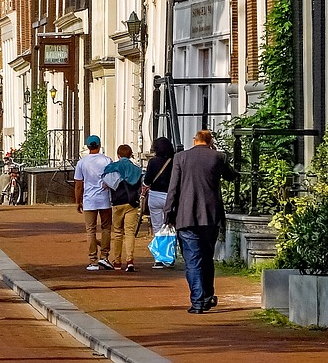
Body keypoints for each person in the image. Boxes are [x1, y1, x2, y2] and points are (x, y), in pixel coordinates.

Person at [164, 129, 238, 314]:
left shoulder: (181, 158)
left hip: (186, 216)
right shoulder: (218, 157)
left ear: (194, 140)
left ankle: (197, 301)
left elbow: (173, 189)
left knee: (193, 260)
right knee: (207, 257)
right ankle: (206, 297)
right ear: (210, 141)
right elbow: (231, 176)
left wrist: (168, 214)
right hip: (210, 216)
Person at [74, 134, 114, 271]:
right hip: (104, 199)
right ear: (99, 145)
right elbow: (113, 178)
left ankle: (93, 260)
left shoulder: (82, 163)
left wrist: (77, 201)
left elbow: (78, 185)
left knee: (90, 230)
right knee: (106, 228)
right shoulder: (107, 160)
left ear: (87, 147)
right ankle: (105, 256)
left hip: (89, 200)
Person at [102, 144, 143, 272]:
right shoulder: (137, 169)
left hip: (118, 203)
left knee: (118, 233)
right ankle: (130, 261)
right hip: (132, 203)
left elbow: (106, 184)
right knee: (130, 232)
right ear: (130, 155)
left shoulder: (113, 168)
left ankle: (117, 261)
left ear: (118, 155)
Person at [143, 136, 176, 267]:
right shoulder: (174, 161)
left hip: (155, 196)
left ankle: (159, 259)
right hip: (170, 196)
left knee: (157, 227)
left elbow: (147, 180)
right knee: (170, 227)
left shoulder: (153, 162)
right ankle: (169, 256)